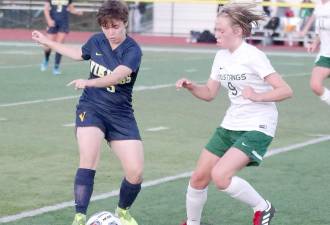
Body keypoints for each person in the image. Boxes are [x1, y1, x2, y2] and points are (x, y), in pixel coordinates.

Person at [176, 3, 293, 225]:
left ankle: (263, 207)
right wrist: (191, 86)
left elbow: (286, 90)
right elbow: (210, 93)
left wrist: (258, 96)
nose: (216, 34)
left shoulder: (253, 56)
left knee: (220, 176)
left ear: (237, 31)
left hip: (258, 126)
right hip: (230, 123)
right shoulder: (221, 57)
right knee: (198, 178)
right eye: (216, 29)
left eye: (221, 30)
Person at [32, 1, 143, 225]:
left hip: (121, 114)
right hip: (91, 108)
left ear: (125, 23)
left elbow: (117, 76)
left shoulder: (133, 50)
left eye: (115, 26)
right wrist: (47, 41)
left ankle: (122, 211)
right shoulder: (96, 40)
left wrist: (90, 82)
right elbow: (76, 53)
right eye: (105, 27)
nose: (110, 32)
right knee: (88, 159)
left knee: (135, 172)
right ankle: (80, 217)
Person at [300, 0, 330, 105]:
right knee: (315, 85)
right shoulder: (319, 5)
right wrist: (314, 43)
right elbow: (320, 29)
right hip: (325, 56)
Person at [41, 0, 83, 75]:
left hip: (63, 23)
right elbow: (46, 9)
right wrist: (49, 20)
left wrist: (77, 12)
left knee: (59, 45)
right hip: (53, 22)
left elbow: (71, 9)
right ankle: (46, 59)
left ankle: (56, 67)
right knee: (47, 45)